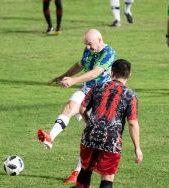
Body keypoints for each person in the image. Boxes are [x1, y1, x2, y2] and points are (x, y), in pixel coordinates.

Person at [37, 29, 117, 183]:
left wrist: (73, 81)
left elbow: (95, 73)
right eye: (86, 44)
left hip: (102, 97)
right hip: (87, 90)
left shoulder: (109, 53)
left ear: (100, 40)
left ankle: (78, 172)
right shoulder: (88, 50)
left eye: (90, 44)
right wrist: (63, 75)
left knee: (92, 135)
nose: (87, 47)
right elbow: (80, 65)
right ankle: (50, 138)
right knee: (70, 106)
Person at [75, 59, 143, 188]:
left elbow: (82, 109)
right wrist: (137, 148)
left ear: (111, 72)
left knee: (85, 170)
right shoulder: (130, 95)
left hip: (90, 135)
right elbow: (133, 123)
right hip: (111, 139)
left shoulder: (97, 87)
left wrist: (90, 123)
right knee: (107, 177)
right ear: (129, 75)